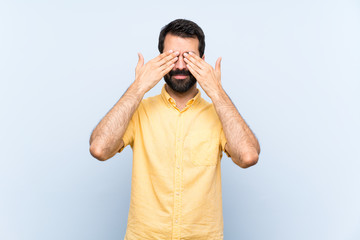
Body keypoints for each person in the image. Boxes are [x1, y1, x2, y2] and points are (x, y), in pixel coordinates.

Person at [89, 19, 260, 240]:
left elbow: (248, 156)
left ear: (203, 62)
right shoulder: (139, 111)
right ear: (159, 59)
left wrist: (216, 91)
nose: (180, 66)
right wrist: (138, 86)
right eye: (171, 57)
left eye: (189, 57)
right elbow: (99, 149)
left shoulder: (219, 115)